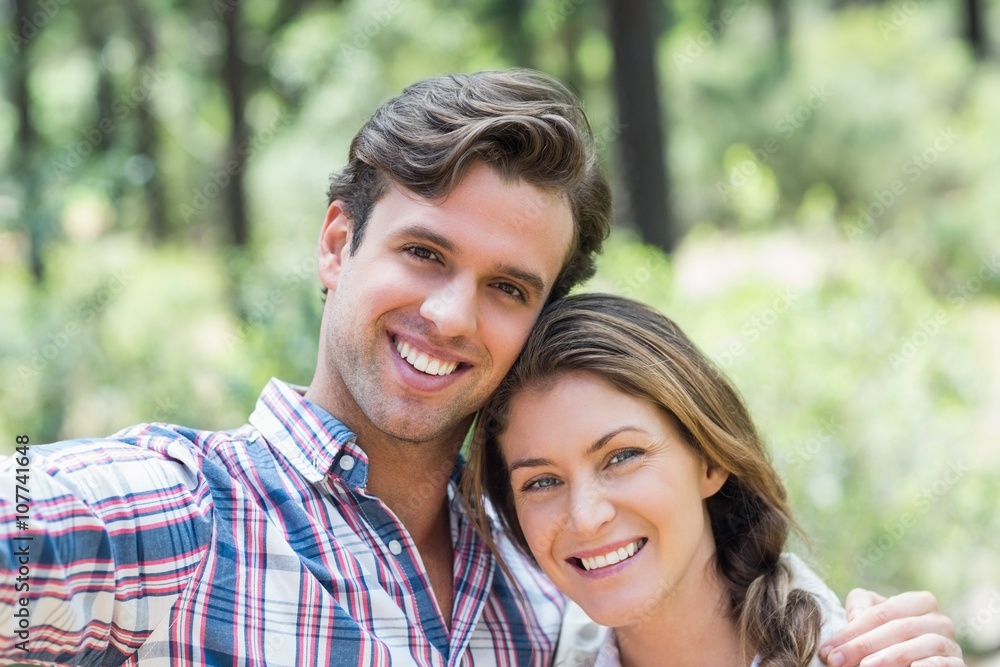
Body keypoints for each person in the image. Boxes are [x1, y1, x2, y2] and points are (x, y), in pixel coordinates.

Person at [0, 69, 962, 666]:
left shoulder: (552, 589)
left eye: (508, 286)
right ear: (339, 244)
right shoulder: (183, 511)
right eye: (423, 253)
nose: (451, 314)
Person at [464, 293, 965, 667]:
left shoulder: (867, 653)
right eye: (542, 482)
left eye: (622, 456)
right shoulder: (539, 649)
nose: (587, 517)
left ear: (710, 460)